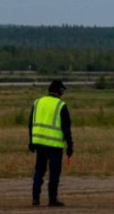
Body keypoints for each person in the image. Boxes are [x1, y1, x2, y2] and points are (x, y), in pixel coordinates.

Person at [28, 79, 73, 207]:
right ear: (59, 91)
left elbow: (30, 124)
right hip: (54, 144)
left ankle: (35, 198)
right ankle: (52, 199)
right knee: (54, 173)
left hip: (39, 142)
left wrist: (31, 141)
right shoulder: (61, 105)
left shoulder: (37, 102)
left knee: (39, 171)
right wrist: (70, 145)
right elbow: (66, 128)